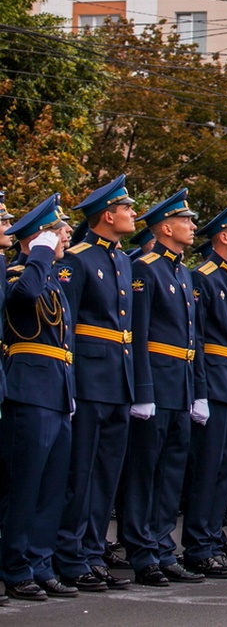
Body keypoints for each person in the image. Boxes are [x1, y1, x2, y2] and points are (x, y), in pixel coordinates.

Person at [55, 175, 138, 592]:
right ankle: (69, 556)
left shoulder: (122, 260)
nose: (133, 214)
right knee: (80, 473)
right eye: (127, 209)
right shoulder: (79, 259)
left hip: (117, 381)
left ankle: (90, 551)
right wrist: (66, 385)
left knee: (105, 473)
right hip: (87, 379)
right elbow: (65, 327)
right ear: (108, 215)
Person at [118, 189, 205, 586]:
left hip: (181, 385)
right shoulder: (146, 268)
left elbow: (193, 340)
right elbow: (138, 335)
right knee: (145, 471)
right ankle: (141, 551)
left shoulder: (183, 272)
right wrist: (143, 390)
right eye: (185, 221)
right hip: (156, 381)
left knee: (171, 472)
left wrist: (197, 390)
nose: (192, 227)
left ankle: (162, 547)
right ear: (166, 227)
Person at [1, 194, 78, 601]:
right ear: (38, 238)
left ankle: (40, 562)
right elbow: (23, 298)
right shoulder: (19, 273)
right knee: (24, 485)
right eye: (58, 230)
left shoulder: (51, 277)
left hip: (58, 389)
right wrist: (39, 255)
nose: (66, 234)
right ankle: (15, 567)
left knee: (51, 487)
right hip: (28, 389)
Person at [182, 200, 227, 579]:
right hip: (214, 381)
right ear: (223, 237)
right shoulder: (204, 277)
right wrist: (200, 391)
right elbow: (197, 338)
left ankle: (212, 541)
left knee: (225, 471)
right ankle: (198, 546)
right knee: (207, 471)